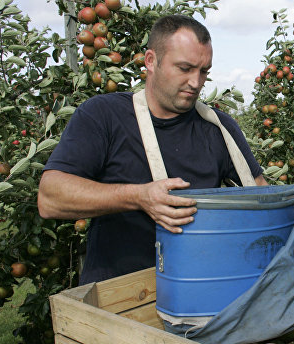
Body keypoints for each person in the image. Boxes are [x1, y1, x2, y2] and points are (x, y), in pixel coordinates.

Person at [38, 15, 268, 285]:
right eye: (185, 68)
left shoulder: (218, 127)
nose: (196, 82)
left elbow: (263, 197)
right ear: (150, 61)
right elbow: (50, 197)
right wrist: (139, 196)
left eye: (204, 71)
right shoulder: (104, 116)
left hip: (196, 289)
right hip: (119, 296)